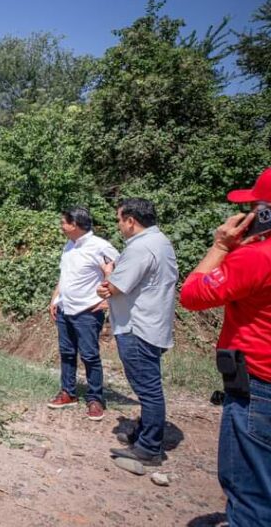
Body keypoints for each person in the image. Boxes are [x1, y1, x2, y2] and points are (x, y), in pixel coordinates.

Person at [179, 166, 271, 527]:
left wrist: (221, 246)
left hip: (266, 388)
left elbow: (192, 295)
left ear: (269, 212)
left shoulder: (259, 257)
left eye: (255, 207)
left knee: (254, 496)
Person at [96, 198, 178, 467]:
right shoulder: (160, 242)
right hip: (152, 323)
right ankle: (145, 434)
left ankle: (149, 447)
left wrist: (108, 275)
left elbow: (115, 287)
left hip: (137, 326)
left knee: (148, 389)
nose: (118, 224)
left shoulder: (141, 247)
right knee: (149, 385)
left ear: (131, 220)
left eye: (120, 219)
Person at [47, 207, 119, 421]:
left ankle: (95, 398)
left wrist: (109, 299)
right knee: (67, 353)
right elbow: (65, 275)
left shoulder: (101, 247)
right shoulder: (69, 245)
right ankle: (68, 392)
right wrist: (55, 298)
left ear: (75, 225)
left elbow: (123, 271)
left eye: (64, 222)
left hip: (87, 310)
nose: (61, 225)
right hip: (65, 308)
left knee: (89, 355)